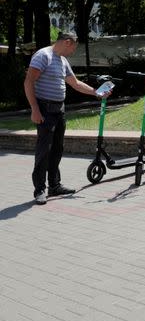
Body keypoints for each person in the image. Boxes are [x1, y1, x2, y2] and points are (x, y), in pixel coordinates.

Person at [24, 31, 109, 205]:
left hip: (59, 110)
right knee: (44, 150)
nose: (73, 51)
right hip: (45, 110)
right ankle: (39, 190)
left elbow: (75, 83)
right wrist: (34, 109)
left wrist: (97, 92)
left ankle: (54, 185)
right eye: (74, 47)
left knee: (57, 149)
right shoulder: (43, 56)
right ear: (68, 42)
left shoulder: (62, 61)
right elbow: (28, 82)